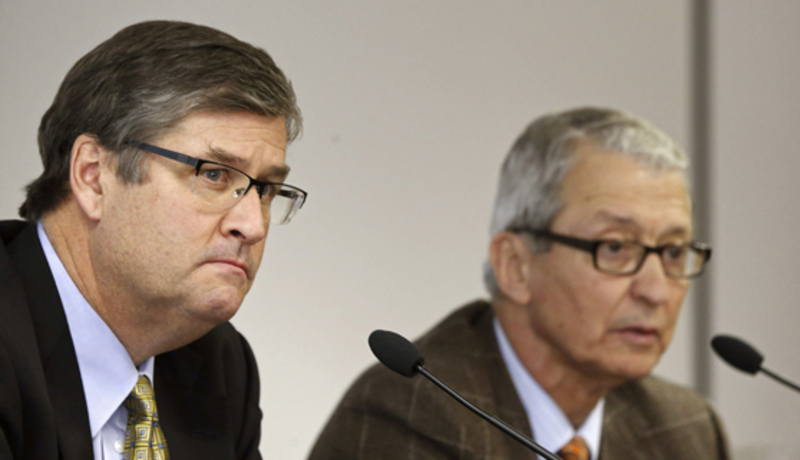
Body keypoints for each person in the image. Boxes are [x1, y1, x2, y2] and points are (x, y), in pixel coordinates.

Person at [308, 107, 729, 459]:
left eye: (674, 252)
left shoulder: (687, 430)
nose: (656, 291)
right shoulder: (408, 416)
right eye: (615, 247)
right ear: (515, 266)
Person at [0, 20, 306, 460]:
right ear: (93, 176)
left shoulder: (220, 366)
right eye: (214, 175)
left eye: (267, 190)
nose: (253, 226)